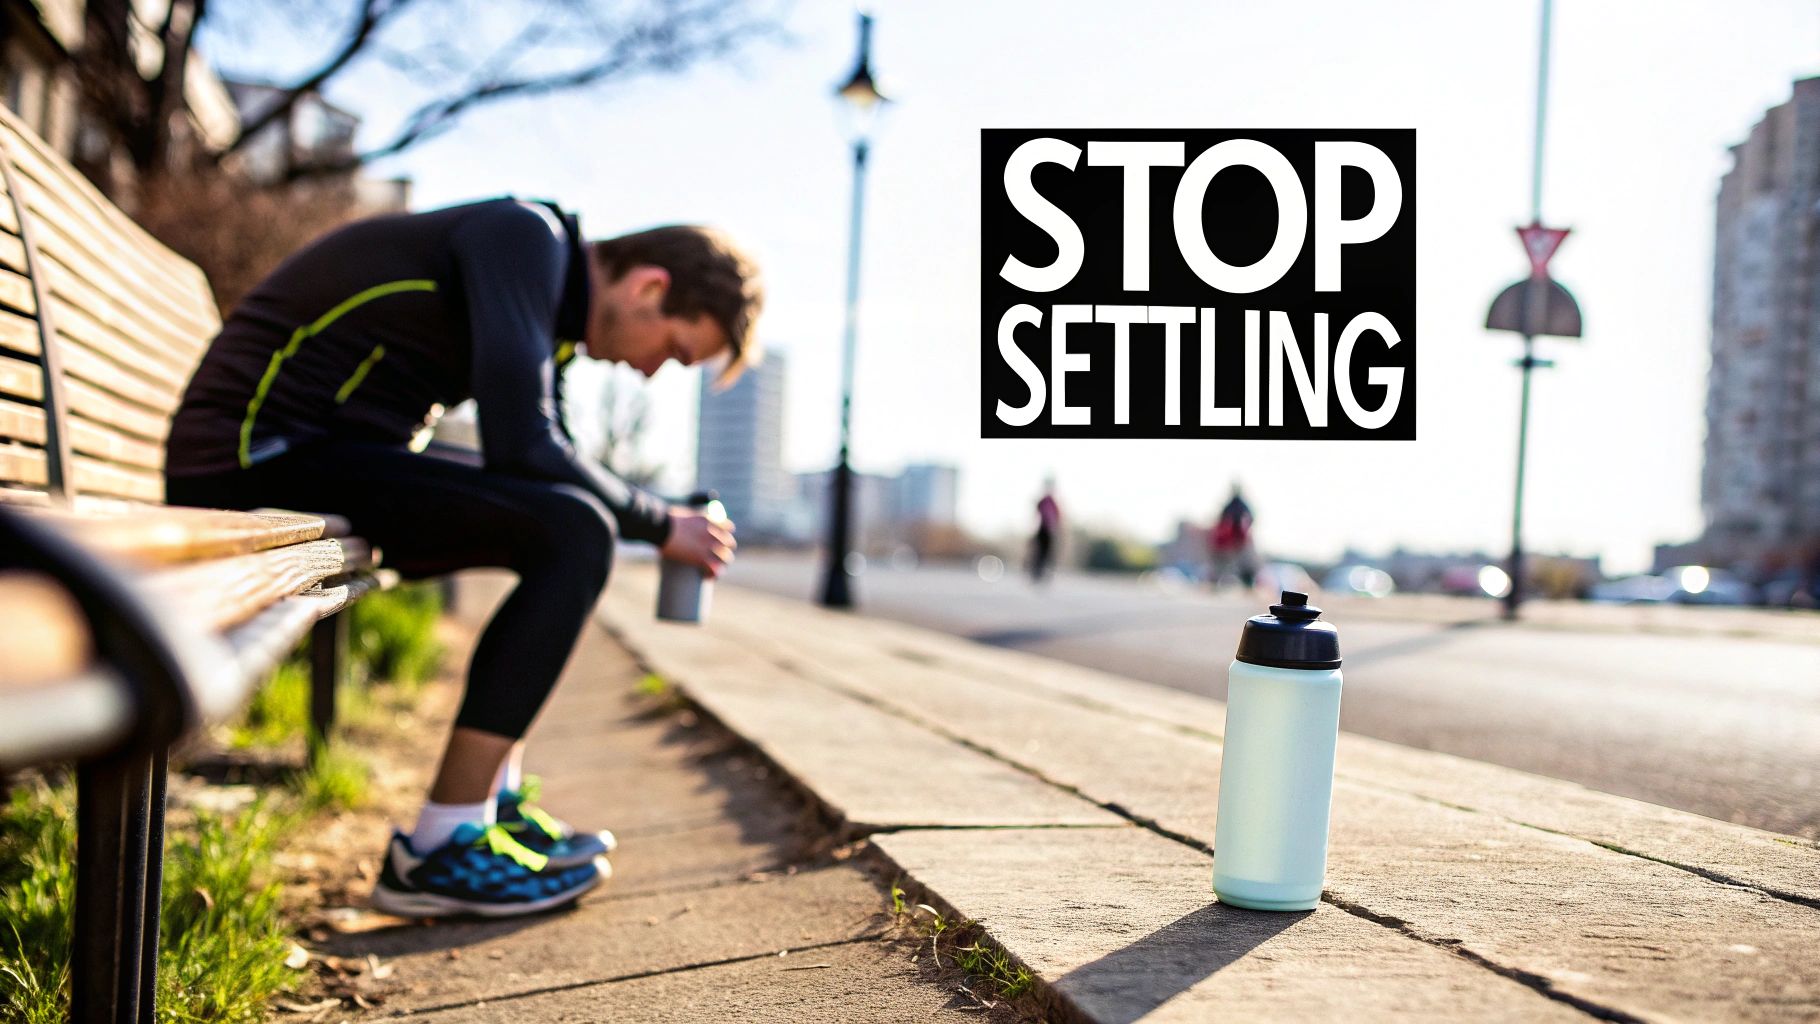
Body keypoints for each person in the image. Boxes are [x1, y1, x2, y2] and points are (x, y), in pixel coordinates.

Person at [163, 198, 762, 918]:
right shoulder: (523, 239)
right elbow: (524, 445)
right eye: (673, 350)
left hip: (320, 460)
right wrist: (662, 521)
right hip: (253, 457)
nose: (652, 373)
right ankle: (442, 847)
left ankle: (488, 806)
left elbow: (543, 460)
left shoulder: (552, 297)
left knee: (564, 527)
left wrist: (646, 512)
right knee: (575, 533)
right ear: (650, 288)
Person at [1209, 485, 1256, 588]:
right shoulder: (1230, 505)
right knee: (1221, 562)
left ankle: (1248, 586)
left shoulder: (1242, 505)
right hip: (1228, 539)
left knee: (1245, 563)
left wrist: (1245, 527)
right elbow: (1221, 520)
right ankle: (1214, 584)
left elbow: (1252, 518)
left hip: (1240, 539)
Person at [1029, 478, 1061, 584]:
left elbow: (1057, 517)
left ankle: (1042, 572)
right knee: (1040, 551)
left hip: (1049, 531)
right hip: (1042, 529)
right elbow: (1036, 514)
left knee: (1046, 553)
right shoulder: (1044, 501)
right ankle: (1036, 571)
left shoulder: (1053, 502)